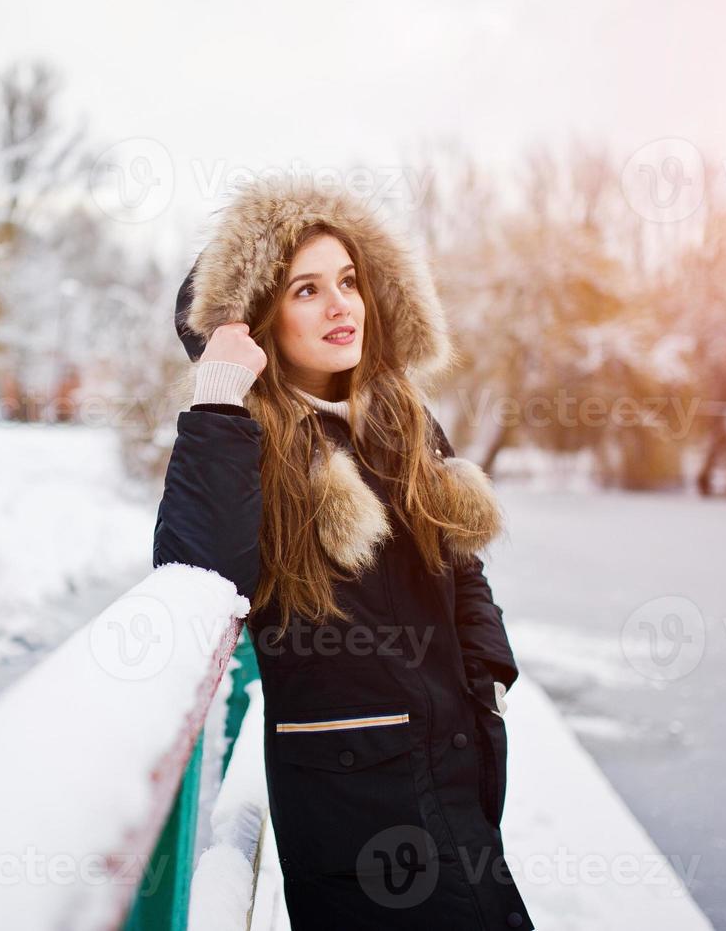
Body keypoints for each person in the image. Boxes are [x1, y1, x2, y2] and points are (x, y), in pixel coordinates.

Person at [153, 176, 534, 928]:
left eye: (350, 281)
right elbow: (200, 575)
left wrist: (485, 674)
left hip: (457, 764)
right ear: (256, 319)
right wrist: (219, 392)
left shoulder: (399, 417)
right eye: (305, 289)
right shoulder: (241, 440)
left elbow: (458, 561)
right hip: (353, 802)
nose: (340, 306)